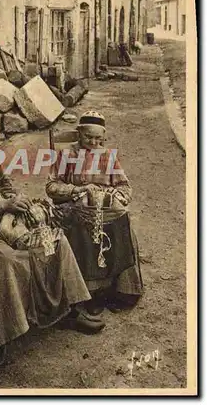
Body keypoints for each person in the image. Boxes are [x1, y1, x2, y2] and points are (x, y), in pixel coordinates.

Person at [0, 97, 104, 369]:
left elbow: (4, 182)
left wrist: (18, 202)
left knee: (52, 241)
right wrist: (3, 204)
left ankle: (69, 308)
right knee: (4, 260)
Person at [46, 111, 143, 317]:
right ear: (79, 134)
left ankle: (118, 289)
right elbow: (52, 186)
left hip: (103, 205)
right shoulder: (67, 155)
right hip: (75, 204)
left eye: (98, 138)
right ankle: (93, 292)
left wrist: (114, 195)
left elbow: (125, 186)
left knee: (119, 220)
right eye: (88, 137)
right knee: (88, 225)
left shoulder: (108, 156)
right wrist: (77, 190)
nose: (93, 142)